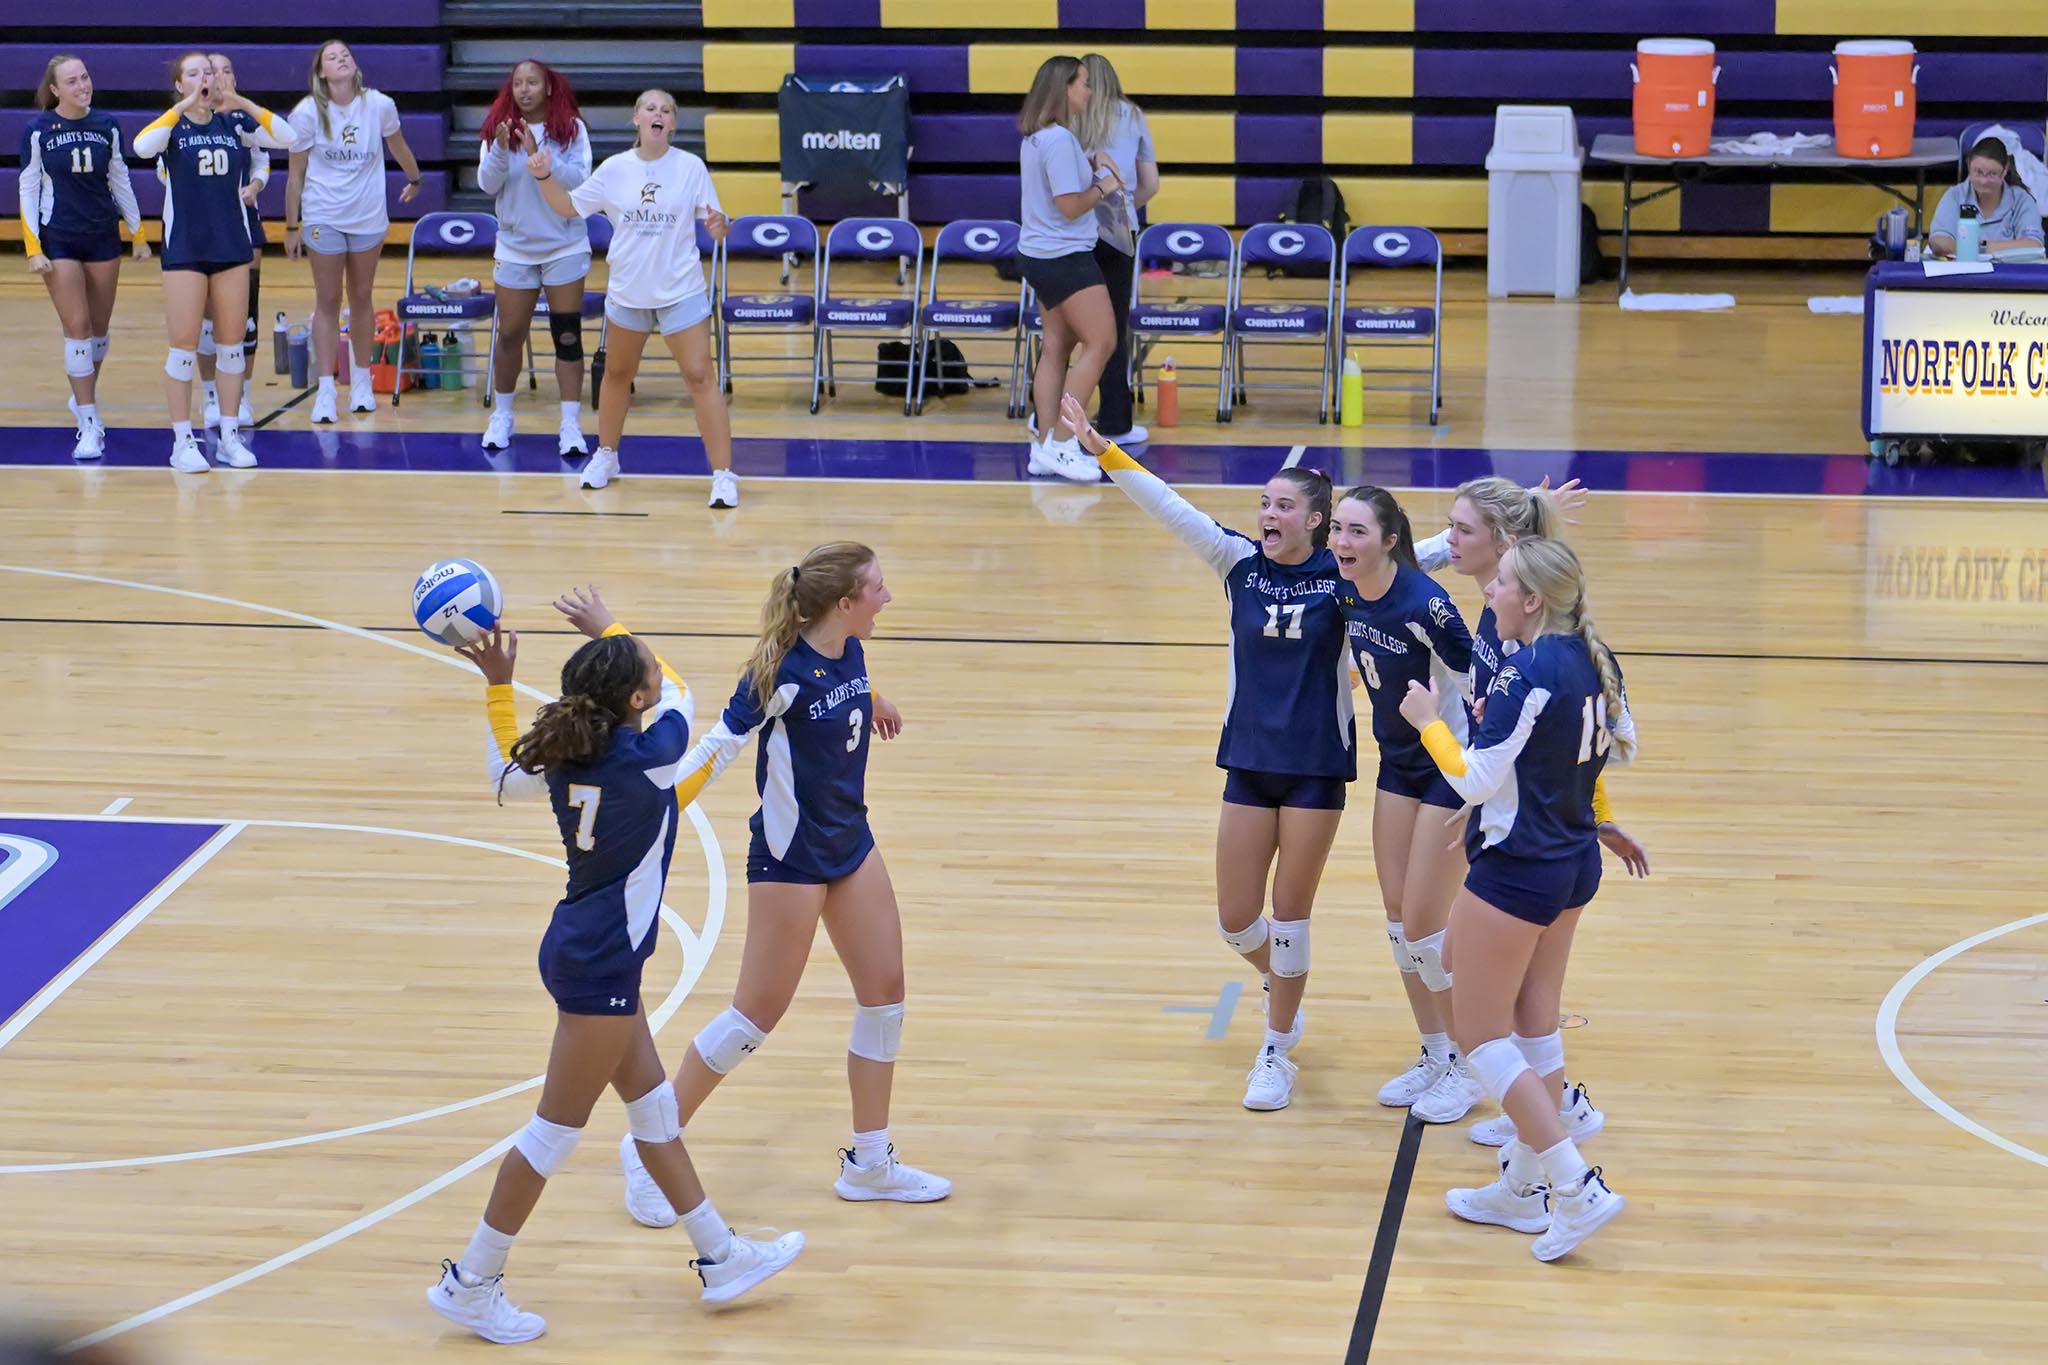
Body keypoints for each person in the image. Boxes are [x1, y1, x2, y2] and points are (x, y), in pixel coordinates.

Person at [429, 620, 804, 1345]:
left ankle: (722, 1255)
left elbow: (503, 773)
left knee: (656, 1113)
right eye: (645, 674)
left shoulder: (567, 754)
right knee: (552, 1134)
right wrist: (613, 624)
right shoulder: (649, 758)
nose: (658, 680)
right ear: (635, 696)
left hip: (592, 952)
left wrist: (500, 685)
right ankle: (471, 1282)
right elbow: (688, 696)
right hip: (600, 963)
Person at [566, 548, 951, 1223]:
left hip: (850, 845)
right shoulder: (777, 674)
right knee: (752, 1019)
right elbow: (718, 747)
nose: (887, 596)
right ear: (845, 604)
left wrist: (875, 697)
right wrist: (656, 808)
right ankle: (649, 1143)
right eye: (878, 588)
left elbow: (845, 690)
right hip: (790, 861)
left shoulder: (849, 651)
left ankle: (870, 1161)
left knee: (885, 999)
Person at [1063, 393, 1349, 1110]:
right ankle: (1282, 984)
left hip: (1316, 766)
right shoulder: (1239, 564)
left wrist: (1511, 520)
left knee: (1290, 917)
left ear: (1317, 520)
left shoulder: (1348, 575)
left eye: (1284, 506)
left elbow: (1425, 554)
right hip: (1249, 760)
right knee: (1236, 920)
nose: (1269, 516)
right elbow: (1172, 508)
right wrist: (1107, 454)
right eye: (1264, 504)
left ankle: (1276, 1048)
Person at [1395, 536, 1635, 1261]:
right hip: (1573, 862)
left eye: (1500, 582)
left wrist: (1426, 719)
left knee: (1482, 1037)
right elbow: (1624, 744)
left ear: (1532, 599)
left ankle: (1575, 1183)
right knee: (1536, 1029)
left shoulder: (1528, 670)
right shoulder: (1598, 659)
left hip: (1517, 869)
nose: (1490, 592)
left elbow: (1469, 778)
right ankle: (1523, 1190)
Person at [1434, 478, 1647, 1147]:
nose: (1448, 542)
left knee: (1485, 1000)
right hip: (1548, 835)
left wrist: (1437, 735)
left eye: (1462, 530)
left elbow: (1517, 755)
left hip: (1528, 846)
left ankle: (1551, 1141)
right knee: (1519, 994)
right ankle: (1551, 1124)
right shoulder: (1551, 637)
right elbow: (1585, 741)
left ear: (1510, 558)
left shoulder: (1525, 652)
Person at [1328, 485, 1479, 1124]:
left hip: (1447, 767)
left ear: (1391, 541)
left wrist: (1483, 778)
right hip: (1396, 763)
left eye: (1358, 531)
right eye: (1336, 529)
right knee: (1397, 915)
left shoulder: (1427, 604)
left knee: (1426, 921)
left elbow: (1480, 683)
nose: (1341, 542)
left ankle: (1473, 1063)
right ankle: (1436, 1050)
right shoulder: (1342, 588)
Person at [527, 89, 738, 505]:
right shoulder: (615, 169)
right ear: (637, 119)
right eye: (650, 108)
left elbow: (717, 221)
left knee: (700, 377)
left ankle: (723, 475)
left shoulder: (690, 167)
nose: (658, 114)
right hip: (628, 292)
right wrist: (543, 176)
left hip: (680, 290)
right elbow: (568, 208)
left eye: (666, 110)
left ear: (673, 124)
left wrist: (720, 225)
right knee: (617, 375)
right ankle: (606, 456)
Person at [132, 52, 294, 472]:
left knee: (231, 348)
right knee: (183, 349)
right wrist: (183, 106)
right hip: (185, 247)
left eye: (210, 71)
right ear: (179, 83)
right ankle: (182, 441)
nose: (205, 77)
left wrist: (239, 100)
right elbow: (141, 146)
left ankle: (227, 437)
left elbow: (288, 137)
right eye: (193, 73)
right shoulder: (172, 127)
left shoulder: (234, 125)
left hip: (231, 245)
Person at [286, 39, 421, 423]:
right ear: (321, 72)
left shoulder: (379, 105)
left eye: (345, 54)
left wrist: (415, 178)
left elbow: (398, 146)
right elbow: (295, 175)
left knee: (362, 296)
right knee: (327, 300)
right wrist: (292, 226)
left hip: (367, 217)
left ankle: (362, 382)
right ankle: (326, 389)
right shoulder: (307, 113)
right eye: (332, 56)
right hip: (323, 215)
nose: (341, 58)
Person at [18, 53, 146, 461]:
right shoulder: (38, 131)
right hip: (59, 238)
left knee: (99, 331)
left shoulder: (106, 125)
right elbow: (28, 188)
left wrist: (138, 233)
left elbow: (120, 178)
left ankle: (82, 394)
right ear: (55, 89)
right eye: (72, 81)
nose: (82, 86)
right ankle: (89, 422)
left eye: (85, 77)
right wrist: (33, 248)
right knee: (77, 326)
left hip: (102, 235)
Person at [477, 59, 592, 457]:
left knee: (566, 333)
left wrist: (541, 154)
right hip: (515, 246)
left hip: (564, 245)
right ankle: (503, 415)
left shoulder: (571, 130)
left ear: (547, 88)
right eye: (518, 83)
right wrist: (498, 150)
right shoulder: (497, 129)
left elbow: (581, 181)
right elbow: (488, 184)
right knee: (510, 333)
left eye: (532, 83)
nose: (524, 89)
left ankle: (571, 424)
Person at [1017, 58, 1122, 485]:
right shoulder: (1058, 140)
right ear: (1064, 88)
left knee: (1057, 345)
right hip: (1063, 256)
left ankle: (1044, 446)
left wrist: (1091, 162)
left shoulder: (1041, 138)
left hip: (1040, 254)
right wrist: (1105, 186)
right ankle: (1062, 442)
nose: (1089, 91)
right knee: (1101, 342)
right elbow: (1068, 205)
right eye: (1083, 84)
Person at [1074, 53, 1157, 448]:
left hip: (1075, 230)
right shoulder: (1133, 114)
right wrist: (1125, 208)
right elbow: (1150, 184)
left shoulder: (1072, 115)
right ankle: (1116, 420)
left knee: (1069, 328)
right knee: (1112, 327)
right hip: (1120, 231)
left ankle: (1050, 417)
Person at [192, 53, 266, 431]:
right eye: (211, 71)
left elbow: (262, 158)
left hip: (243, 223)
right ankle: (209, 394)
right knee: (207, 319)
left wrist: (255, 184)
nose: (218, 76)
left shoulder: (242, 119)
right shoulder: (187, 119)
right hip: (201, 226)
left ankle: (242, 396)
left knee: (245, 318)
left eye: (226, 70)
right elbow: (161, 168)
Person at [1927, 136, 2045, 257]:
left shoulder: (2022, 199)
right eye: (1978, 172)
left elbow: (2034, 245)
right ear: (1968, 166)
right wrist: (2003, 247)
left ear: (2004, 170)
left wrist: (1980, 247)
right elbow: (1938, 242)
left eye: (1992, 174)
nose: (1984, 181)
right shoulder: (1955, 195)